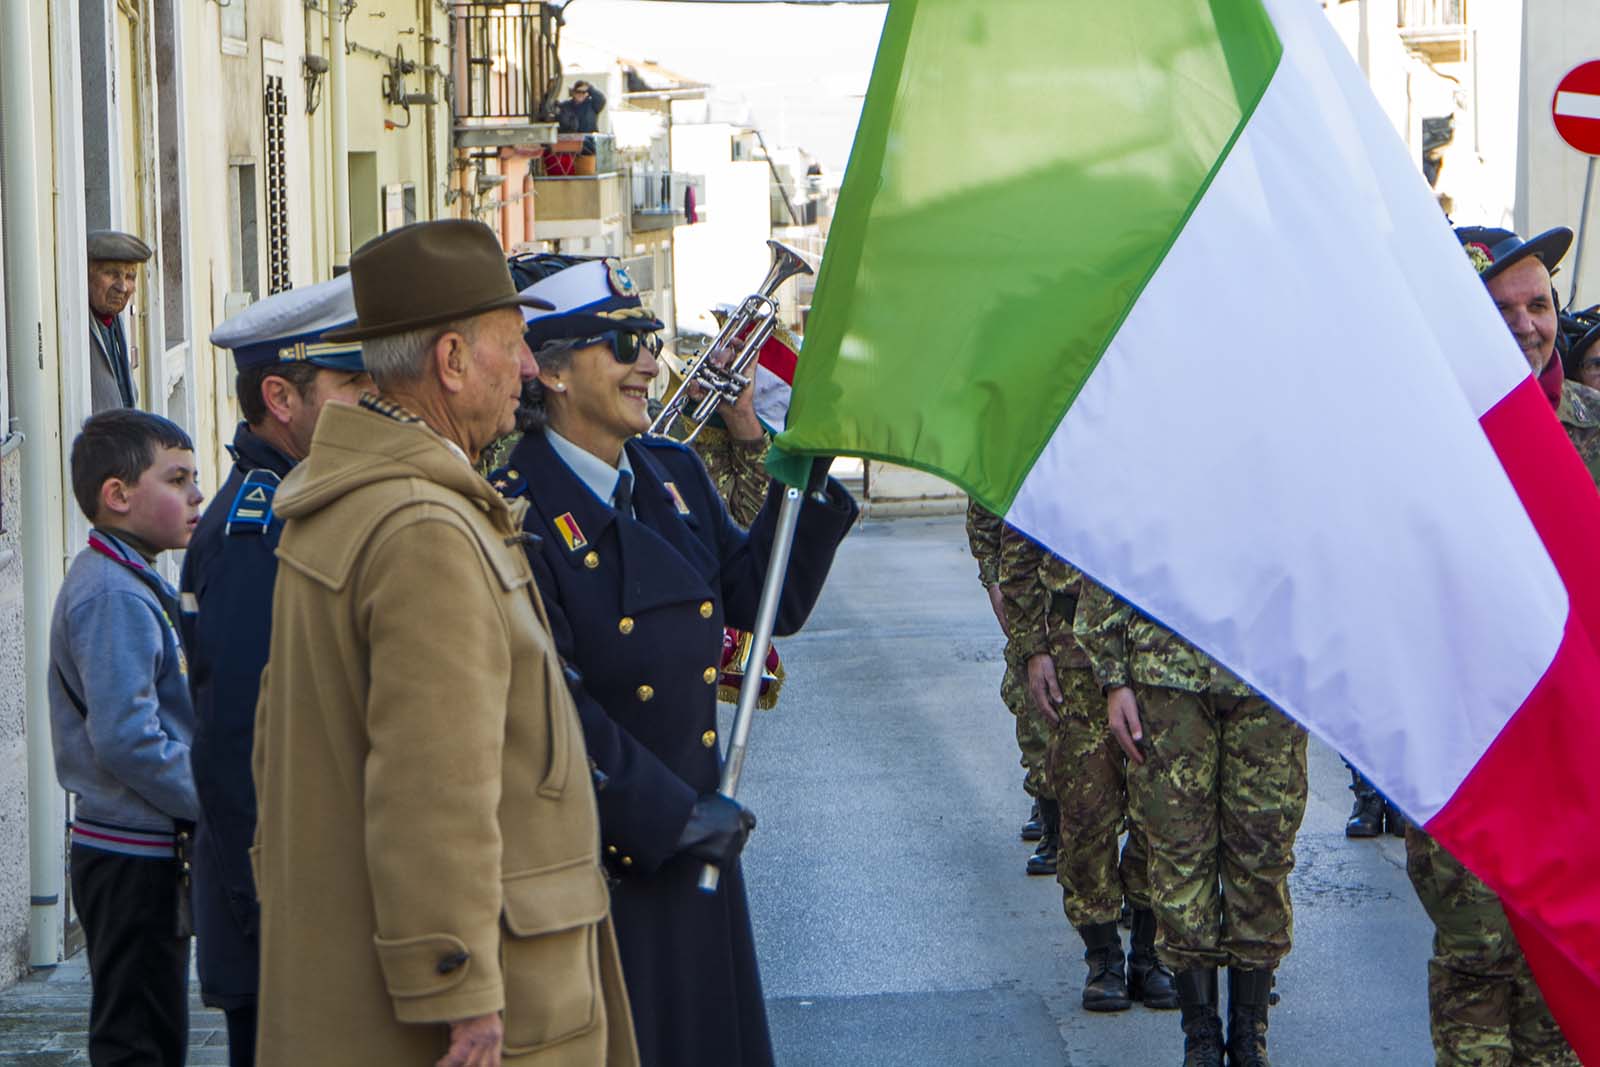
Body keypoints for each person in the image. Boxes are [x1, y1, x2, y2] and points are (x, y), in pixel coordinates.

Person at [252, 220, 637, 1067]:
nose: (532, 369)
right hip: (485, 1012)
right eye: (515, 345)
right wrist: (460, 994)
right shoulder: (424, 524)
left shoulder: (359, 498)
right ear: (453, 361)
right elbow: (433, 785)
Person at [490, 256, 858, 1067]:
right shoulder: (515, 505)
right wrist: (675, 819)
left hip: (696, 843)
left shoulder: (670, 474)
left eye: (650, 339)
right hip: (607, 860)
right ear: (549, 370)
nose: (649, 362)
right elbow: (548, 701)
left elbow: (767, 602)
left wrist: (812, 467)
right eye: (624, 343)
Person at [1392, 226, 1588, 1067]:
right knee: (1478, 965)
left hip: (1577, 760)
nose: (1525, 325)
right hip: (1471, 749)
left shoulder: (1592, 430)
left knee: (1565, 989)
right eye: (1499, 308)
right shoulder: (1423, 445)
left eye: (1539, 304)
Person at [178, 277, 372, 1067]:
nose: (372, 402)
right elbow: (241, 745)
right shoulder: (260, 530)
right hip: (283, 921)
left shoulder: (304, 505)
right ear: (280, 397)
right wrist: (283, 908)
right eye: (353, 385)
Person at [1075, 584, 1307, 1067]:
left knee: (1261, 853)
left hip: (1271, 667)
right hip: (1168, 671)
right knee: (1180, 854)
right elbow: (1114, 541)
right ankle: (1200, 1034)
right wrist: (1113, 678)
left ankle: (1250, 1034)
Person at [49, 408, 205, 1066]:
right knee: (136, 1037)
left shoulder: (135, 576)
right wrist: (210, 795)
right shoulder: (112, 594)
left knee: (156, 1025)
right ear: (117, 495)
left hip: (144, 844)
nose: (196, 494)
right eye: (177, 479)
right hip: (128, 852)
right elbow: (127, 737)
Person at [999, 529, 1175, 1012]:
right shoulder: (1055, 456)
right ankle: (1103, 955)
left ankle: (1148, 950)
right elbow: (1017, 550)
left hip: (1158, 650)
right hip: (1074, 650)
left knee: (1160, 807)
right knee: (1087, 806)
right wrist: (1033, 649)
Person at [964, 501, 1055, 862]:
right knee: (1037, 709)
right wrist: (994, 581)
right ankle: (1052, 815)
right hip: (1030, 584)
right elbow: (984, 507)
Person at [86, 230, 152, 412]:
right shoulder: (77, 328)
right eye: (112, 274)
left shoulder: (116, 324)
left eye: (130, 277)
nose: (122, 287)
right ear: (87, 275)